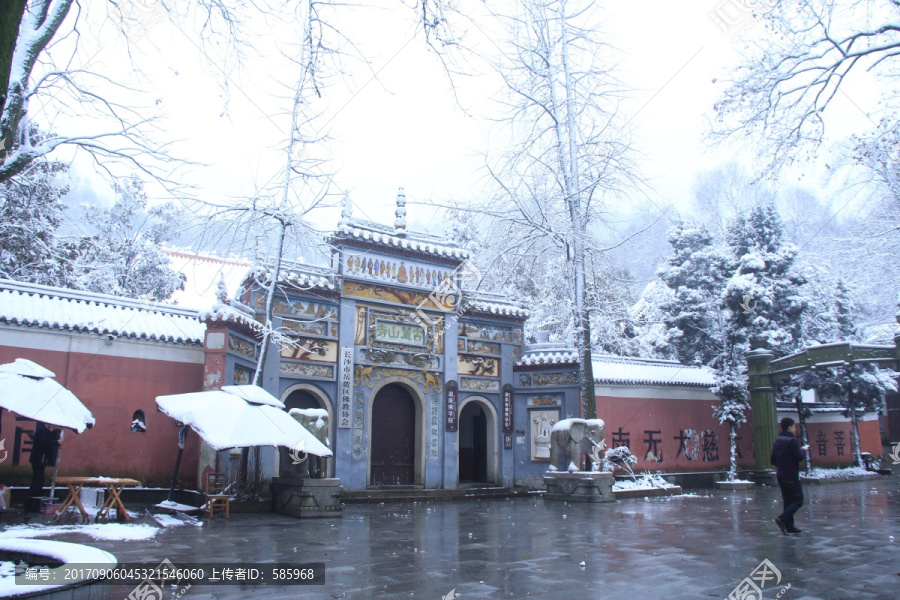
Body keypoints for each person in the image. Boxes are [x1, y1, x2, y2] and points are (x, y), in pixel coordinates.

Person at [770, 417, 809, 535]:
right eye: (794, 426)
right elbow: (799, 457)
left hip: (781, 475)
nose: (795, 429)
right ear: (789, 427)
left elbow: (772, 460)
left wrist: (782, 464)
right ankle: (781, 519)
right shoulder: (791, 441)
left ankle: (789, 526)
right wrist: (803, 450)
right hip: (791, 475)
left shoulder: (777, 441)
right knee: (798, 500)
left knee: (788, 501)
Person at [28, 422, 62, 497]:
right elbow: (45, 444)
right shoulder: (41, 431)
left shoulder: (48, 432)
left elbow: (51, 440)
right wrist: (57, 442)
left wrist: (56, 432)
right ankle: (33, 497)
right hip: (38, 459)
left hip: (42, 460)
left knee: (40, 480)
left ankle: (36, 497)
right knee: (37, 480)